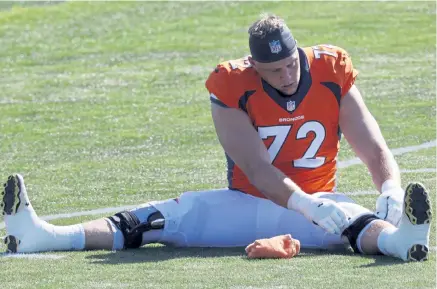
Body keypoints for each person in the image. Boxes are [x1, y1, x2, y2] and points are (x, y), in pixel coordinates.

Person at [1, 14, 431, 262]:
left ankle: (402, 241)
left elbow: (373, 148)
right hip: (247, 204)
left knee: (354, 221)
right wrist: (307, 204)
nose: (287, 75)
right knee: (153, 221)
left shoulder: (330, 69)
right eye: (274, 71)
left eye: (291, 65)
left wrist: (390, 186)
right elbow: (260, 171)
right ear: (254, 68)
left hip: (321, 200)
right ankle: (43, 236)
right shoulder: (231, 85)